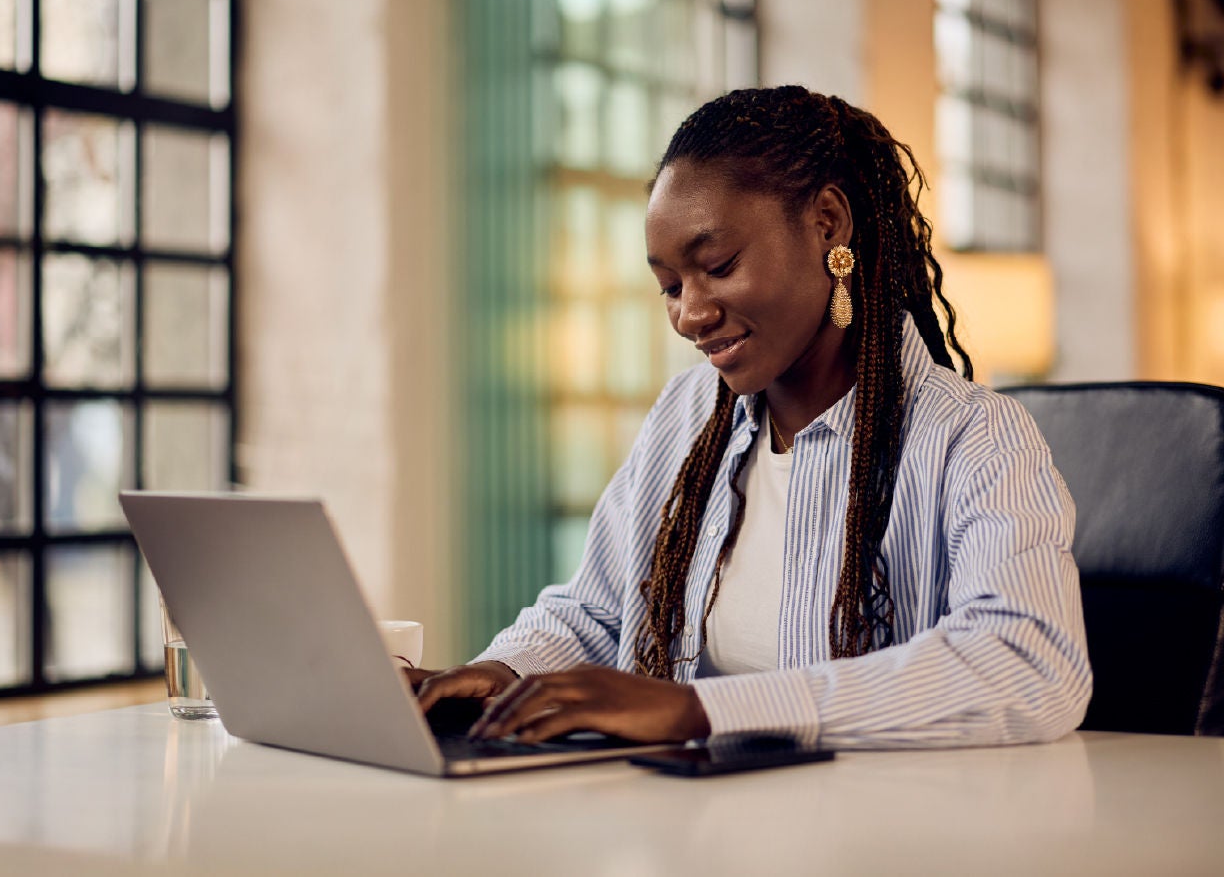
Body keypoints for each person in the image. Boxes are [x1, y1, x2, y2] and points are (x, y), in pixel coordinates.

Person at [411, 86, 1091, 749]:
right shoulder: (686, 417)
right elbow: (596, 612)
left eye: (718, 265)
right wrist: (503, 673)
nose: (690, 314)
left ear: (829, 222)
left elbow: (1027, 663)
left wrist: (700, 711)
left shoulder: (974, 437)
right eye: (671, 288)